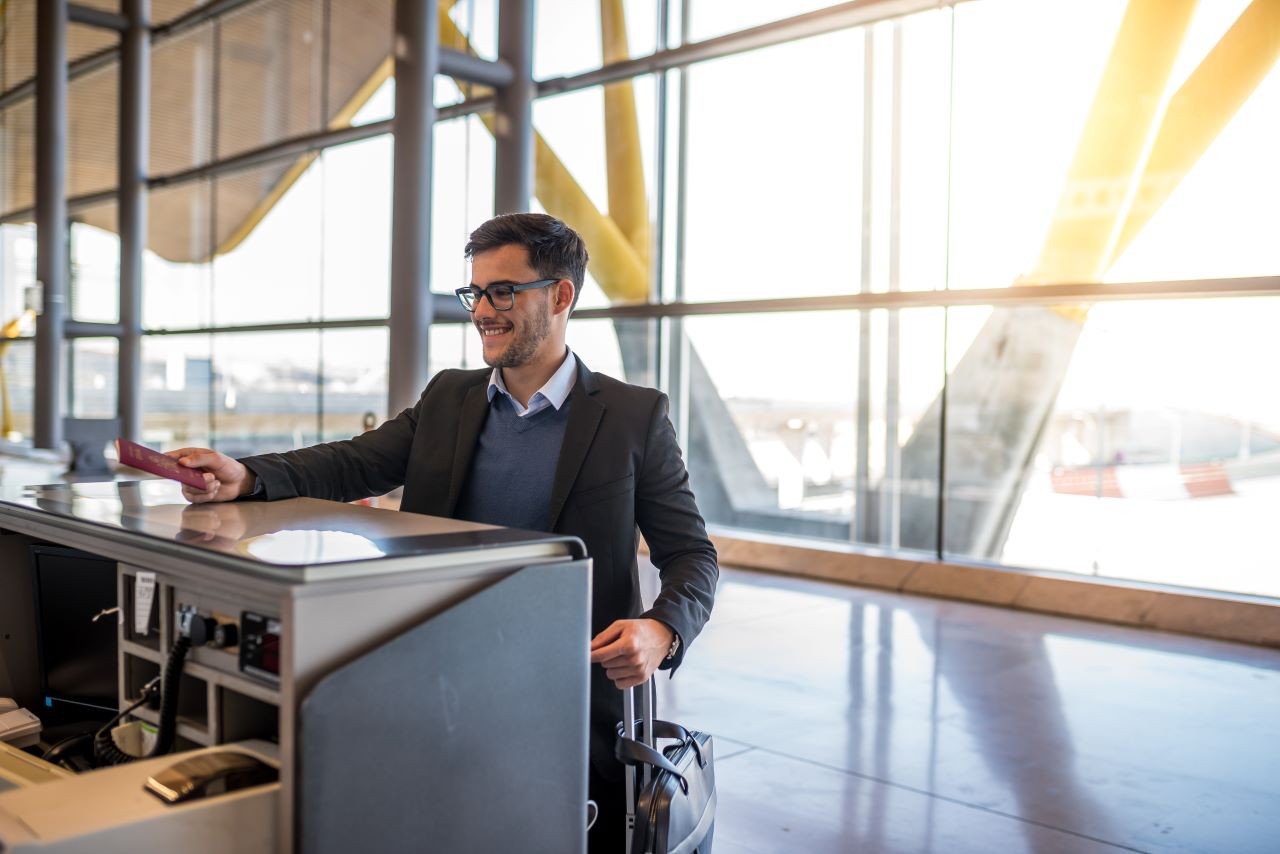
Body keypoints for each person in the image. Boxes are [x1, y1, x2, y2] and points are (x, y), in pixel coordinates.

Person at [166, 212, 718, 852]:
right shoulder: (448, 398)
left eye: (502, 291)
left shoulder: (631, 415)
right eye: (475, 293)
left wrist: (662, 628)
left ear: (562, 295)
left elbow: (691, 554)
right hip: (436, 676)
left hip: (566, 697)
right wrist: (247, 475)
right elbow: (352, 461)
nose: (482, 310)